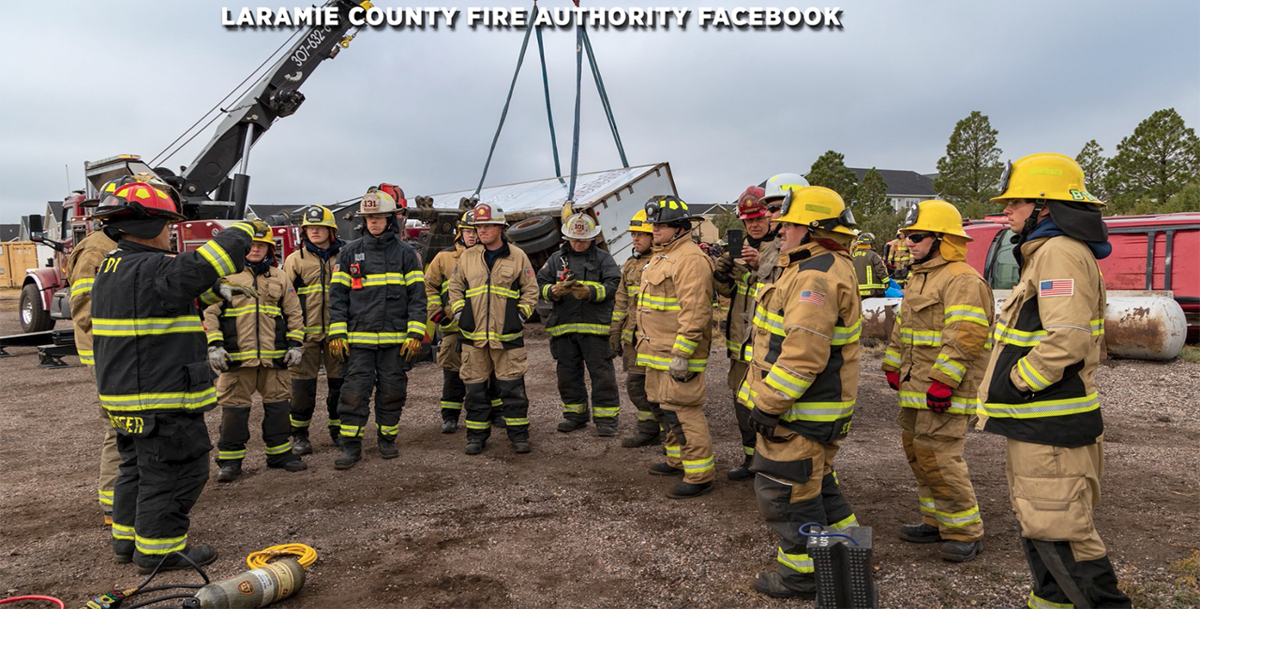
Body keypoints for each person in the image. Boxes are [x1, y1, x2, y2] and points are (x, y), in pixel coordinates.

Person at [979, 152, 1130, 609]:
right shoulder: (1046, 251)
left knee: (1060, 531)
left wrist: (1018, 382)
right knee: (1041, 525)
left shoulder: (1059, 252)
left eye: (1015, 203)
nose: (1005, 212)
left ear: (1045, 207)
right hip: (1042, 423)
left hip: (1050, 425)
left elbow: (1066, 340)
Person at [91, 179, 263, 572]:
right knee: (176, 470)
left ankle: (127, 541)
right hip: (161, 397)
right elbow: (208, 261)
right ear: (151, 225)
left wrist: (215, 293)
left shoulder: (114, 267)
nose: (172, 232)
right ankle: (159, 550)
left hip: (127, 397)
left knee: (135, 468)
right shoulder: (153, 266)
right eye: (170, 225)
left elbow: (161, 301)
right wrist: (246, 228)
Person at [739, 185, 862, 599]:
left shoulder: (815, 274)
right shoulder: (815, 265)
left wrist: (769, 404)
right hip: (816, 409)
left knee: (786, 493)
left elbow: (803, 353)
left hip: (801, 412)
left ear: (813, 229)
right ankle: (847, 559)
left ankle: (801, 576)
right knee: (819, 485)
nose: (780, 231)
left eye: (789, 225)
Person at [882, 200, 993, 563]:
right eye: (905, 237)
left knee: (940, 457)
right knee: (919, 453)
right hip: (918, 388)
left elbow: (965, 335)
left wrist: (944, 381)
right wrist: (892, 364)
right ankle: (936, 520)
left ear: (941, 239)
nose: (908, 243)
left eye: (915, 236)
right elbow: (904, 328)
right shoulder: (921, 276)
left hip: (944, 390)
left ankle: (964, 531)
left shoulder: (962, 279)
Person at [328, 188, 430, 469]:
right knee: (353, 394)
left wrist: (415, 333)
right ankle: (351, 447)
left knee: (392, 391)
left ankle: (387, 440)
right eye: (369, 218)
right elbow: (337, 299)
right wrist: (337, 332)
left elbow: (418, 298)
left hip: (395, 341)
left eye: (380, 217)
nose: (374, 222)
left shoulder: (407, 255)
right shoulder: (348, 254)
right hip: (358, 342)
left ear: (390, 219)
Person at [204, 226, 307, 482]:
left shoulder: (280, 277)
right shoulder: (225, 277)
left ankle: (280, 455)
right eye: (252, 244)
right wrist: (214, 345)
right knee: (234, 412)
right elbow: (209, 314)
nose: (256, 248)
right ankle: (230, 462)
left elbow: (294, 313)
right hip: (236, 359)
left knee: (279, 408)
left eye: (261, 245)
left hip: (274, 358)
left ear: (269, 249)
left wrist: (296, 344)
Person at [636, 195, 717, 499]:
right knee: (664, 408)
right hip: (656, 352)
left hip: (676, 354)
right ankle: (677, 460)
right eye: (653, 223)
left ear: (680, 227)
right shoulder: (662, 255)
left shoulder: (690, 259)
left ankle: (699, 475)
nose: (654, 228)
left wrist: (682, 354)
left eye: (661, 224)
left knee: (684, 413)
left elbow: (696, 311)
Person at [68, 177, 137, 526]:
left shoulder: (120, 243)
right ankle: (115, 505)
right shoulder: (97, 249)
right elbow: (84, 306)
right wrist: (120, 343)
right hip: (109, 352)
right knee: (120, 427)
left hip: (121, 350)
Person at [448, 203, 539, 455]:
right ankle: (476, 437)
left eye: (487, 225)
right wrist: (459, 313)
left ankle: (519, 436)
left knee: (513, 391)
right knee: (475, 391)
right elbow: (455, 287)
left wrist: (519, 316)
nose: (481, 230)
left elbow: (531, 290)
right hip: (473, 338)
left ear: (501, 227)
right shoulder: (467, 257)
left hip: (507, 338)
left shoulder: (518, 256)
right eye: (478, 226)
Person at [537, 211, 622, 436]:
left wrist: (591, 292)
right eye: (574, 240)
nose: (578, 244)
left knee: (602, 376)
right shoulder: (556, 259)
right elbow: (539, 285)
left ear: (592, 239)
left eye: (583, 240)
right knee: (568, 376)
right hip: (564, 330)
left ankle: (606, 421)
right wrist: (552, 291)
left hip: (595, 329)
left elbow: (614, 285)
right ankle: (575, 417)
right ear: (567, 238)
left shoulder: (604, 259)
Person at [711, 185, 775, 481]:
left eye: (760, 218)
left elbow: (779, 293)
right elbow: (727, 293)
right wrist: (722, 273)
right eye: (749, 221)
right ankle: (751, 460)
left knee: (769, 407)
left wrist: (754, 269)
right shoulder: (737, 250)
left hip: (768, 347)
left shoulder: (781, 250)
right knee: (741, 406)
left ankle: (772, 463)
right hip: (740, 344)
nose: (755, 225)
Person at [424, 212, 503, 434]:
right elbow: (428, 286)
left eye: (474, 231)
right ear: (460, 233)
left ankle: (496, 413)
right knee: (452, 372)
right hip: (453, 327)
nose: (471, 235)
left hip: (486, 328)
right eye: (467, 231)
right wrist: (436, 311)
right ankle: (450, 416)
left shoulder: (493, 255)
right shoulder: (444, 257)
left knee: (492, 373)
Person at [283, 205, 346, 455]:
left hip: (337, 333)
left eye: (320, 227)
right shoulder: (294, 260)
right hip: (304, 335)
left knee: (339, 386)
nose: (315, 231)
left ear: (331, 230)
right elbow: (285, 300)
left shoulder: (344, 255)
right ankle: (299, 435)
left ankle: (338, 431)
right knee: (302, 389)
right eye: (310, 228)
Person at [610, 210, 664, 447]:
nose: (635, 239)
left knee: (660, 389)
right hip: (634, 338)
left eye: (641, 234)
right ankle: (649, 430)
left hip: (657, 338)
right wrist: (615, 331)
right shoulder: (631, 265)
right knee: (636, 385)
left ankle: (672, 436)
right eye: (633, 235)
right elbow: (621, 300)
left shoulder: (664, 263)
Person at [850, 231, 889, 298]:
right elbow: (880, 270)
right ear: (869, 244)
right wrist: (886, 281)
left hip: (856, 292)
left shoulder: (851, 256)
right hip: (873, 292)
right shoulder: (873, 255)